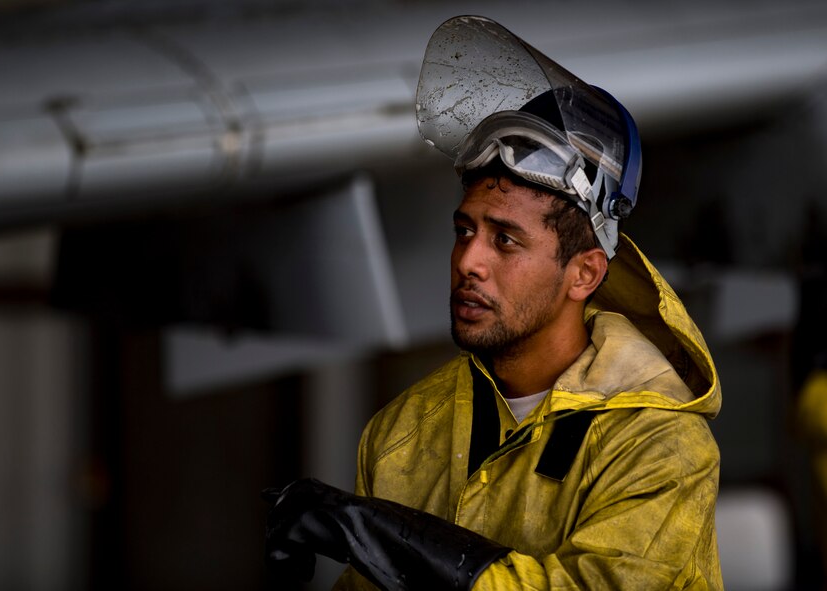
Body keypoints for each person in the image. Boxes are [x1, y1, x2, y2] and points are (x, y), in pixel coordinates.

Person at [263, 15, 723, 590]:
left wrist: (394, 542)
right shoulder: (403, 432)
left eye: (505, 239)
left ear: (584, 273)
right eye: (464, 231)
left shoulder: (660, 445)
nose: (468, 262)